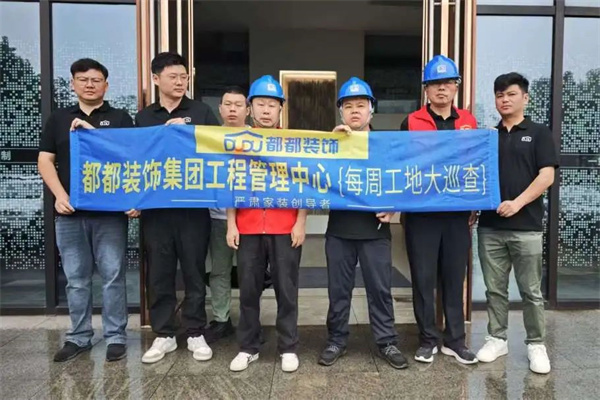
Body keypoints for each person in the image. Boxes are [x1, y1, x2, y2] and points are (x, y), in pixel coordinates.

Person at [38, 58, 134, 362]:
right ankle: (78, 336)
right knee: (76, 278)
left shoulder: (121, 118)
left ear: (106, 85)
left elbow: (129, 158)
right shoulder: (58, 119)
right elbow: (45, 160)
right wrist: (59, 195)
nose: (89, 85)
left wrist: (132, 200)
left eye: (96, 80)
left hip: (109, 214)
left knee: (113, 275)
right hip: (70, 213)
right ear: (73, 84)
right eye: (83, 79)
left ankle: (116, 336)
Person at [135, 52, 219, 364]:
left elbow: (217, 151)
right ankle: (164, 334)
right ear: (156, 79)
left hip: (193, 208)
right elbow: (134, 160)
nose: (180, 82)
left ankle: (195, 330)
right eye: (173, 77)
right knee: (160, 272)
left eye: (184, 77)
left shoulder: (201, 111)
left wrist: (187, 135)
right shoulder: (144, 118)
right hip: (156, 211)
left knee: (195, 271)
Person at [318, 77, 407, 370]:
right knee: (338, 290)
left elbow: (403, 178)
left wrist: (394, 208)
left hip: (375, 231)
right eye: (348, 106)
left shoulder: (386, 145)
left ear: (372, 110)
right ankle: (336, 340)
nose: (354, 111)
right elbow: (316, 179)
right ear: (340, 112)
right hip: (339, 231)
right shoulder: (332, 144)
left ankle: (387, 341)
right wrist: (330, 145)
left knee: (380, 289)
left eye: (360, 105)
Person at [476, 72, 558, 374]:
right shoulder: (489, 136)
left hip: (527, 227)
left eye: (511, 94)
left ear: (525, 97)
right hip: (490, 227)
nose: (504, 100)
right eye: (499, 95)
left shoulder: (538, 133)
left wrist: (518, 203)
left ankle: (536, 344)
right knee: (494, 289)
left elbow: (547, 176)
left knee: (531, 291)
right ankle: (497, 339)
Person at [400, 55, 479, 365]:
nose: (441, 88)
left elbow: (477, 165)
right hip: (421, 216)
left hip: (457, 216)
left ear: (456, 87)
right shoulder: (411, 121)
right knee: (423, 279)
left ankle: (455, 341)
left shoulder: (469, 122)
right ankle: (427, 340)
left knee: (454, 278)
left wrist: (476, 203)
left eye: (447, 83)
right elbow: (400, 165)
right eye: (435, 84)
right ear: (426, 89)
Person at [226, 75, 307, 373]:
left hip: (285, 227)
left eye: (272, 105)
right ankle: (248, 347)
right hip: (247, 227)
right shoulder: (239, 143)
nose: (266, 110)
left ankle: (288, 347)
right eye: (260, 104)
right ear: (250, 108)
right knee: (248, 291)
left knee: (287, 290)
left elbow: (304, 185)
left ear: (280, 109)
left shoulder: (293, 143)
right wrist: (231, 224)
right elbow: (231, 185)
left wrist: (300, 222)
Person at [204, 86, 250, 344]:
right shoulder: (208, 138)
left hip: (249, 217)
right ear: (220, 108)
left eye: (238, 104)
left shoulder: (259, 138)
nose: (233, 109)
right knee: (219, 271)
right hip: (216, 217)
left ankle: (250, 321)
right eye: (228, 104)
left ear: (247, 110)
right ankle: (221, 319)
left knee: (250, 273)